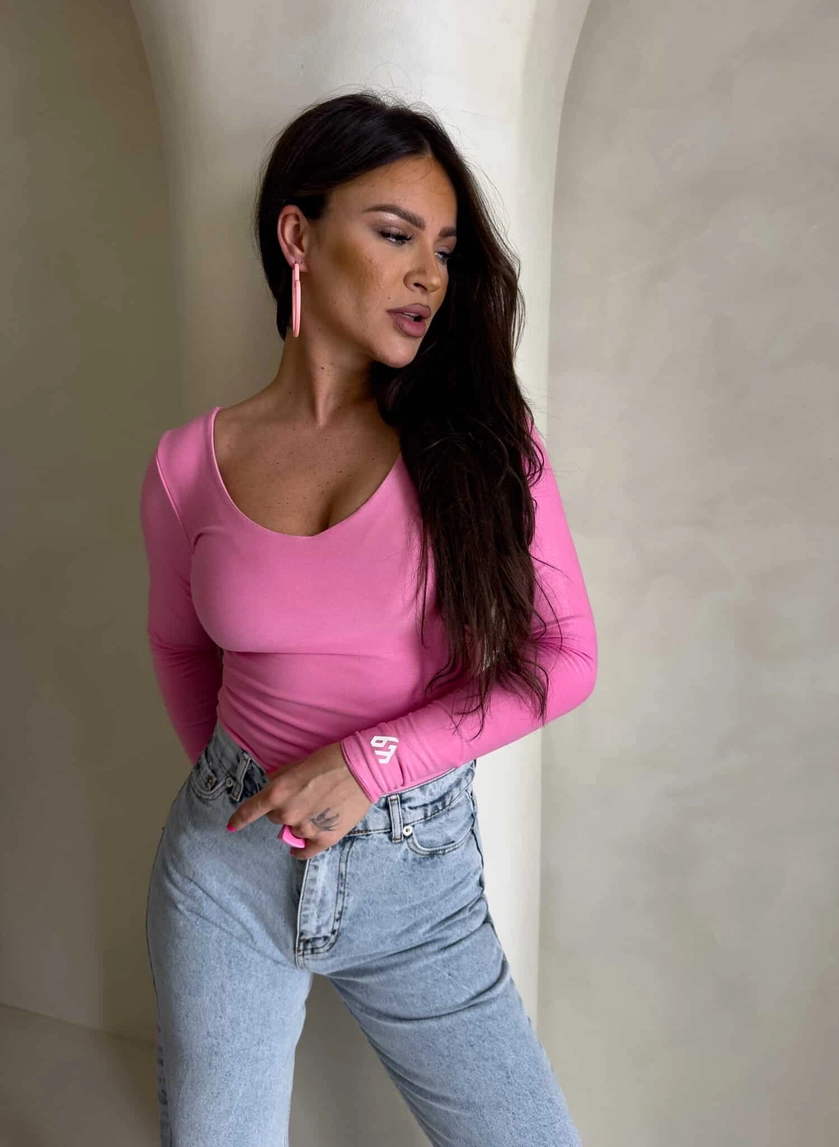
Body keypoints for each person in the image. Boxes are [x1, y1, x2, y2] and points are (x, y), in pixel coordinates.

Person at [140, 89, 597, 1147]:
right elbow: (178, 643)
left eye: (443, 248)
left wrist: (371, 762)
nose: (428, 273)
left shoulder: (481, 443)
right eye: (395, 235)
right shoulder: (185, 464)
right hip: (224, 873)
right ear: (297, 236)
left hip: (417, 880)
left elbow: (565, 656)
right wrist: (241, 794)